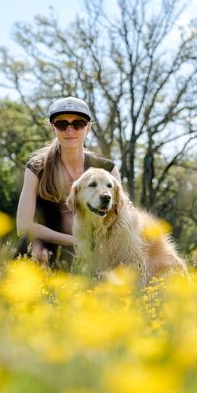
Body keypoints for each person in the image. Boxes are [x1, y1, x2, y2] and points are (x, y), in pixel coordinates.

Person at [16, 96, 120, 267]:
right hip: (43, 252)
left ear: (88, 128)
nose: (70, 130)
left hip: (93, 253)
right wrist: (75, 241)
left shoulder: (107, 169)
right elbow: (23, 227)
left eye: (78, 124)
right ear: (53, 128)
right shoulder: (37, 168)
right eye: (61, 124)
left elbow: (121, 217)